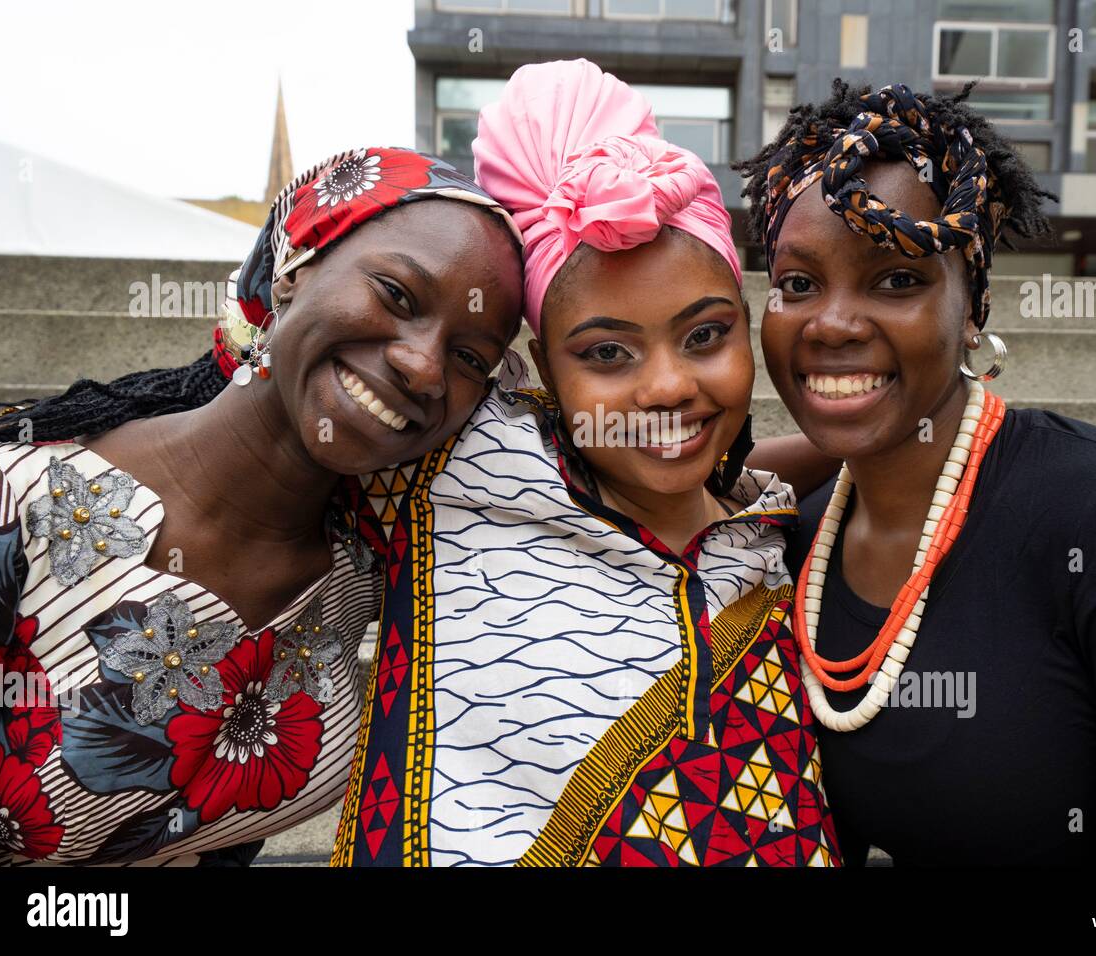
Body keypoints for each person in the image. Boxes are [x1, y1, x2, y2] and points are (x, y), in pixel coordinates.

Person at [737, 80, 1096, 865]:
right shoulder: (792, 541)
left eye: (897, 279)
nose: (834, 322)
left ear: (972, 306)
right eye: (797, 284)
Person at [332, 59, 839, 867]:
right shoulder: (448, 475)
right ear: (541, 368)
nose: (670, 386)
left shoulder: (780, 545)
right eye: (607, 352)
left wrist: (865, 433)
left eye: (706, 335)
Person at [0, 147, 524, 865]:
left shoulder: (357, 584)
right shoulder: (8, 500)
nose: (424, 364)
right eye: (397, 295)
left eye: (470, 358)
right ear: (295, 273)